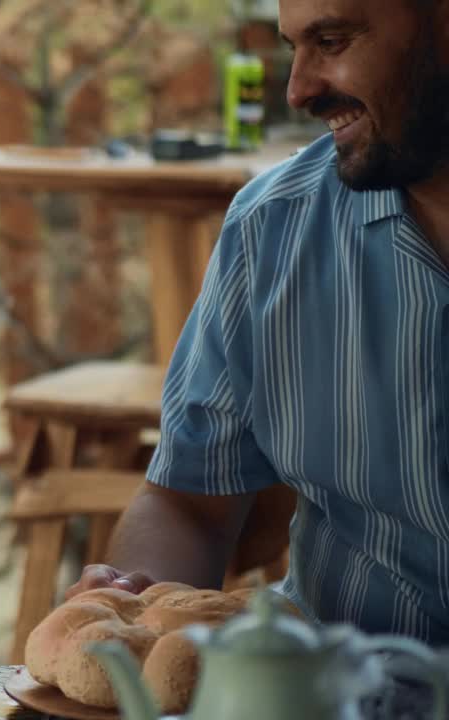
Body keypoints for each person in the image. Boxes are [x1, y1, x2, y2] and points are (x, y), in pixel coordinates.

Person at [67, 0, 449, 644]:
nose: (298, 89)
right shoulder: (271, 226)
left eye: (331, 40)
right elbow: (189, 501)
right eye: (293, 46)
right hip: (320, 689)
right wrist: (137, 607)